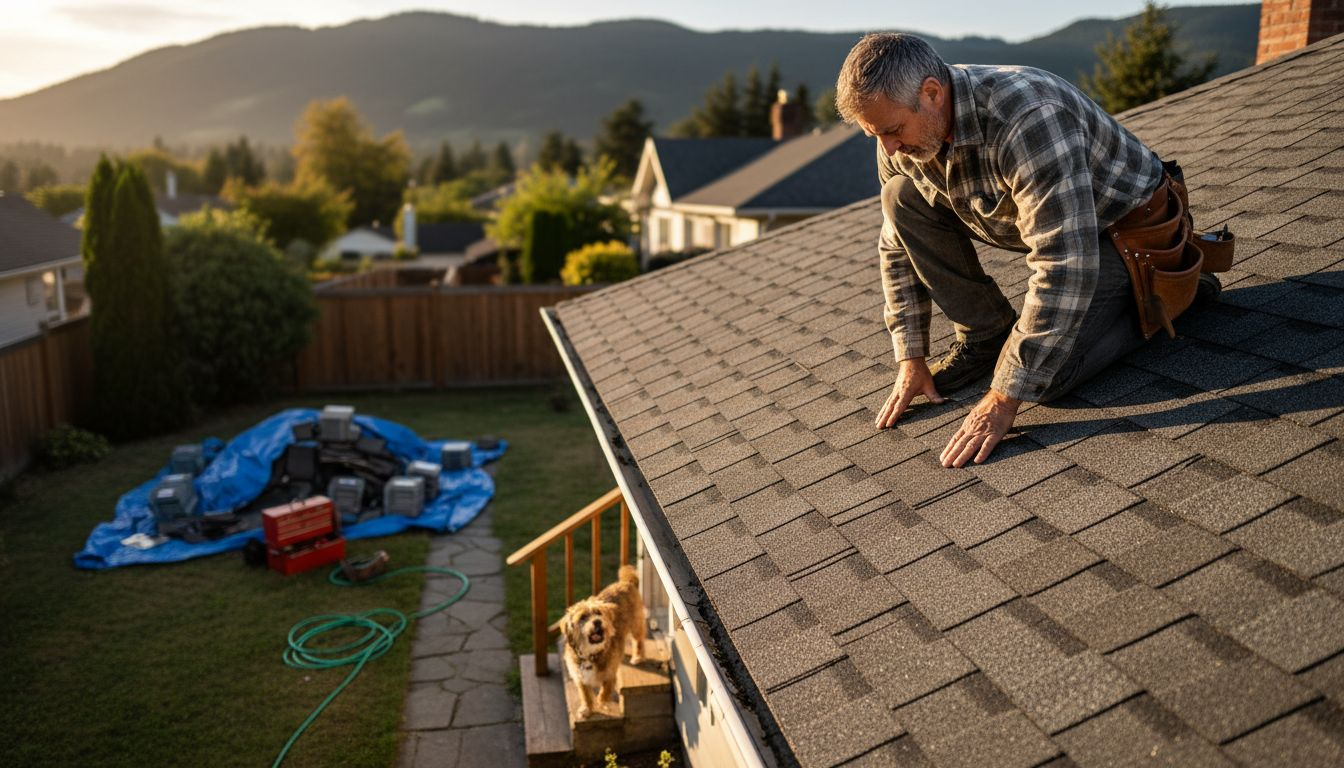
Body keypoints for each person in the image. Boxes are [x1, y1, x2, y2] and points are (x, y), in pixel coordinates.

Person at [835, 32, 1215, 469]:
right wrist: (911, 355)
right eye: (874, 135)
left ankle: (1173, 293)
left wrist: (1003, 395)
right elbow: (897, 245)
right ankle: (986, 335)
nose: (887, 148)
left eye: (892, 130)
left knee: (1043, 378)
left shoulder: (1028, 115)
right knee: (900, 195)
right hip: (1064, 230)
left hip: (1125, 237)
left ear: (932, 93)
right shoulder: (902, 137)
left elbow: (1062, 261)